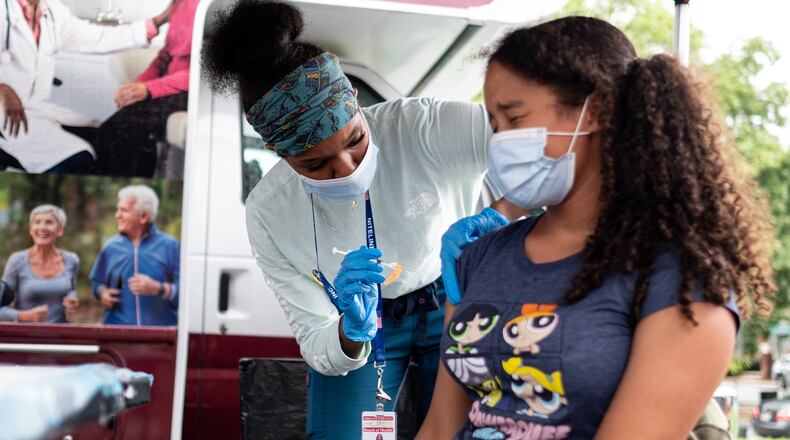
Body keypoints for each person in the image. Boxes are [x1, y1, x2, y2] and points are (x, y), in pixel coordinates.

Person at [417, 16, 774, 439]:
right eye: (494, 125)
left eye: (514, 119)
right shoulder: (481, 257)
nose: (499, 143)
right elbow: (441, 426)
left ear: (598, 109)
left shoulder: (681, 280)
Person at [201, 1, 522, 437]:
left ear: (355, 104)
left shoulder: (420, 126)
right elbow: (317, 339)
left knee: (471, 427)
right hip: (363, 324)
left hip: (452, 297)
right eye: (316, 165)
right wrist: (350, 332)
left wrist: (498, 216)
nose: (348, 166)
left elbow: (539, 152)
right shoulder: (269, 213)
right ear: (280, 155)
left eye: (355, 139)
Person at [0, 0, 172, 174]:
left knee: (114, 141)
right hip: (4, 116)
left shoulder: (52, 12)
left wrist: (157, 21)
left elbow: (99, 37)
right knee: (78, 161)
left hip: (35, 111)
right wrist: (3, 88)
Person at [92, 0, 199, 177]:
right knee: (110, 131)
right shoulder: (180, 4)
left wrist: (149, 89)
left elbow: (205, 68)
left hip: (196, 92)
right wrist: (138, 85)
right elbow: (165, 57)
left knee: (124, 126)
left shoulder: (213, 6)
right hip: (173, 88)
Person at [89, 185, 180, 326]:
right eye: (117, 209)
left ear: (143, 217)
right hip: (117, 333)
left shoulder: (170, 246)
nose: (117, 215)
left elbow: (188, 293)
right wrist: (103, 293)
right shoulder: (110, 247)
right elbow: (97, 282)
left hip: (160, 336)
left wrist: (159, 289)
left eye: (123, 210)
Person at [0, 204, 79, 323]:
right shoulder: (17, 261)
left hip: (60, 336)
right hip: (26, 337)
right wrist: (24, 316)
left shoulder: (71, 260)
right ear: (31, 229)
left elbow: (71, 289)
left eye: (49, 222)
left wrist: (72, 299)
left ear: (60, 230)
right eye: (37, 222)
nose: (42, 227)